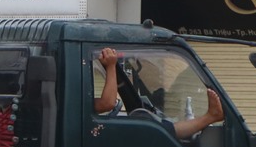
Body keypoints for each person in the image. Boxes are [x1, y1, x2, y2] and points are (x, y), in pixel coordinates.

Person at [94, 47, 225, 139]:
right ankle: (211, 116)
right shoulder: (73, 99)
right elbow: (107, 103)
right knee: (153, 131)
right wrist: (111, 66)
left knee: (161, 129)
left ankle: (211, 116)